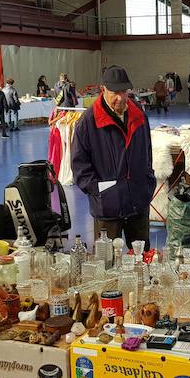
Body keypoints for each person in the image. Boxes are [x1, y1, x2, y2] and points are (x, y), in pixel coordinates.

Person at [72, 66, 156, 250]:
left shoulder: (139, 116)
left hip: (138, 204)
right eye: (114, 93)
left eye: (123, 92)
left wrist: (147, 182)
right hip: (107, 208)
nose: (120, 98)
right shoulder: (88, 122)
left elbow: (147, 153)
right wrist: (101, 191)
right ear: (103, 90)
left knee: (144, 261)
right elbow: (79, 167)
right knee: (106, 266)